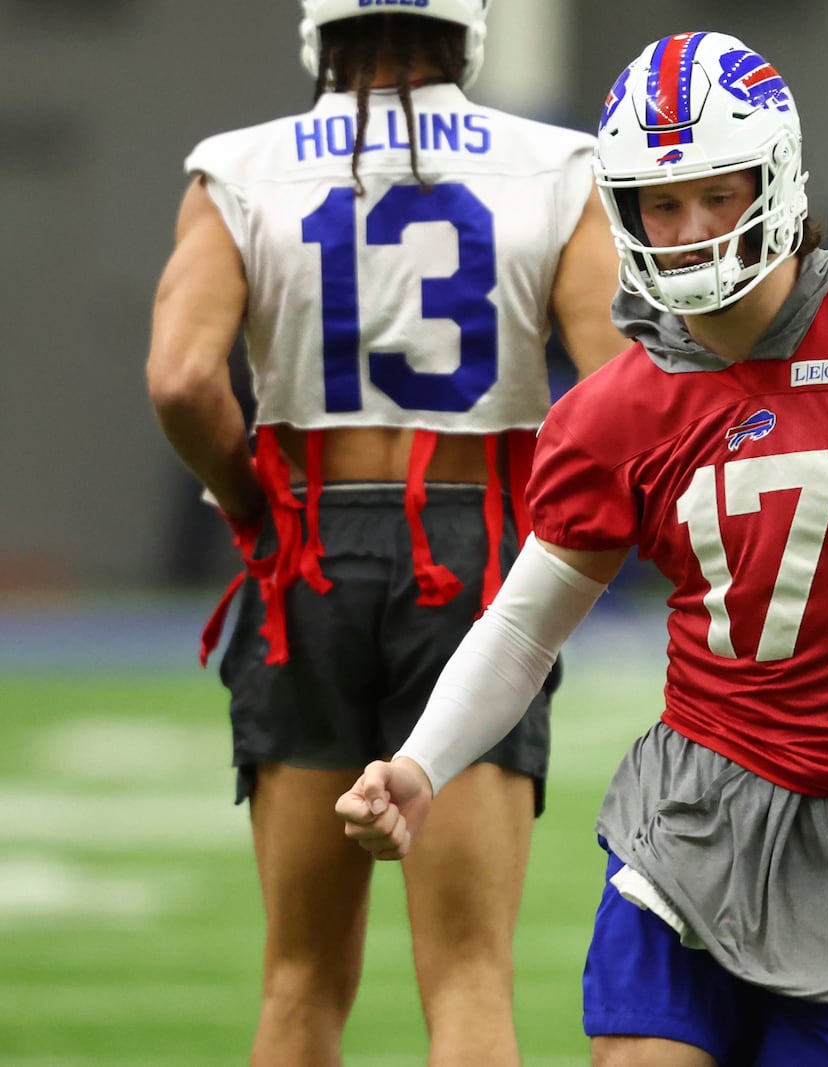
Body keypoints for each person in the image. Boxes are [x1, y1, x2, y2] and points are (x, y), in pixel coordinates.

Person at [334, 30, 828, 1066]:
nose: (689, 228)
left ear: (775, 181)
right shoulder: (614, 407)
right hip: (694, 810)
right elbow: (524, 626)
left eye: (717, 192)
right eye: (661, 201)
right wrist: (421, 765)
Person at [144, 2, 627, 1063]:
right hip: (476, 554)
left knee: (299, 981)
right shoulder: (557, 164)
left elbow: (182, 378)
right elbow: (618, 387)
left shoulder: (238, 167)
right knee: (466, 979)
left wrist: (247, 502)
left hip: (307, 542)